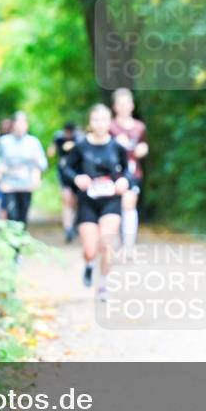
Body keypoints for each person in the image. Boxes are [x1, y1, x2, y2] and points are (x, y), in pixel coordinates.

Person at [61, 104, 133, 302]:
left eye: (104, 120)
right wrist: (77, 179)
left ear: (109, 122)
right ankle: (89, 264)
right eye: (96, 120)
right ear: (90, 123)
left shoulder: (117, 147)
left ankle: (103, 284)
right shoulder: (81, 147)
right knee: (90, 249)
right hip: (87, 202)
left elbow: (128, 171)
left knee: (107, 243)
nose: (100, 124)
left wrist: (124, 181)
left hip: (111, 201)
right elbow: (66, 169)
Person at [108, 88, 148, 253]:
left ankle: (129, 245)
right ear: (115, 106)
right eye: (120, 104)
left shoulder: (139, 127)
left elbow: (143, 144)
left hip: (132, 171)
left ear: (132, 105)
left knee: (129, 203)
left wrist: (142, 149)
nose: (124, 107)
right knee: (114, 208)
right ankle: (115, 242)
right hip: (111, 173)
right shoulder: (109, 127)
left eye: (127, 103)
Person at [0, 112, 47, 230]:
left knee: (22, 216)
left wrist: (36, 163)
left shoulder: (33, 142)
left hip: (26, 185)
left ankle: (20, 242)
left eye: (23, 123)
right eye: (17, 123)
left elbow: (43, 164)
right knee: (11, 215)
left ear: (27, 125)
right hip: (9, 185)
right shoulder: (4, 141)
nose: (20, 127)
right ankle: (13, 245)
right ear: (13, 125)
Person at [49, 122, 84, 243]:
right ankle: (68, 228)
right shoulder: (58, 138)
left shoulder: (79, 139)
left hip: (78, 173)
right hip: (64, 173)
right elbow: (51, 152)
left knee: (76, 201)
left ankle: (74, 224)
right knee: (66, 198)